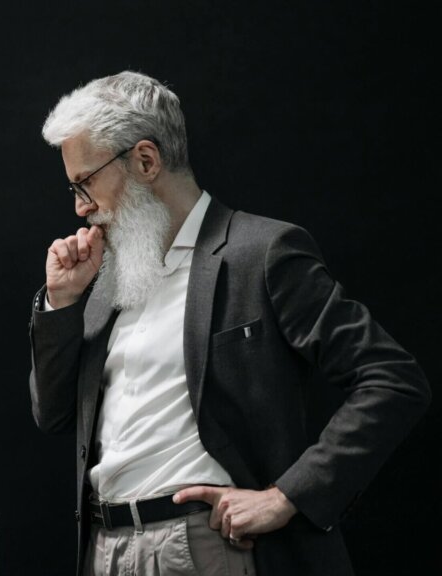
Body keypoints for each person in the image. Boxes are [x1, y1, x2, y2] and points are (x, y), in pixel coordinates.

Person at [28, 71, 431, 576]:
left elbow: (393, 380)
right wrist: (62, 303)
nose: (80, 208)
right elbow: (55, 415)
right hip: (103, 548)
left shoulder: (261, 253)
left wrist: (287, 495)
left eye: (85, 182)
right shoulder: (109, 277)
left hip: (204, 548)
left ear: (146, 161)